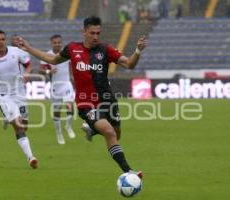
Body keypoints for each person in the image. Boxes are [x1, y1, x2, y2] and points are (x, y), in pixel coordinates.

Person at [17, 16, 146, 178]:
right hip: (86, 103)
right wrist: (29, 48)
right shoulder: (72, 48)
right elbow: (52, 59)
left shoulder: (105, 50)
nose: (95, 37)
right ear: (84, 31)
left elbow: (129, 64)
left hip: (108, 100)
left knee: (116, 133)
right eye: (92, 33)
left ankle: (92, 129)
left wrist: (138, 51)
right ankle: (129, 172)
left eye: (98, 33)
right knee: (109, 133)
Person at [0, 29, 38, 169]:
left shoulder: (15, 52)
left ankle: (8, 118)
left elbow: (28, 64)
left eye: (3, 39)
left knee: (25, 125)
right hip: (4, 96)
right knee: (19, 125)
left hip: (20, 92)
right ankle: (31, 157)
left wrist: (27, 73)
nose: (1, 42)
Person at [39, 34, 76, 145]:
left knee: (70, 106)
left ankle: (68, 126)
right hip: (55, 87)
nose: (57, 44)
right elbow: (40, 70)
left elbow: (71, 67)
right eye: (55, 42)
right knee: (57, 113)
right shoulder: (47, 55)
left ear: (61, 42)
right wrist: (48, 72)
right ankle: (59, 133)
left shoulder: (66, 53)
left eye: (59, 42)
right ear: (51, 43)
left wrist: (73, 78)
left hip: (66, 84)